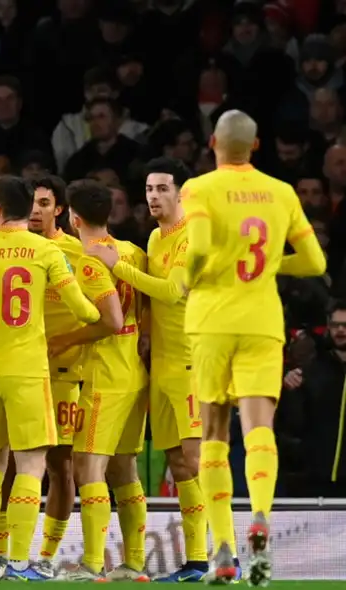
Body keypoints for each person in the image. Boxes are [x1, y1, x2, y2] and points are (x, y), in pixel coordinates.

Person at [182, 109, 326, 587]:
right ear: (257, 145)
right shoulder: (281, 192)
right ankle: (260, 514)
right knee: (260, 428)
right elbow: (313, 260)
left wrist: (192, 276)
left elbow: (199, 246)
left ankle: (223, 549)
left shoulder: (199, 188)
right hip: (263, 321)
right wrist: (265, 267)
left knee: (215, 434)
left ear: (212, 143)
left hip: (211, 320)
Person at [88, 157, 233, 582]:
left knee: (197, 458)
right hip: (164, 367)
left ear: (182, 192)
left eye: (162, 188)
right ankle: (197, 560)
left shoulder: (195, 237)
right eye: (149, 189)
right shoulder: (154, 238)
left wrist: (117, 266)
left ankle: (227, 553)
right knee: (178, 462)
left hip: (193, 362)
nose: (153, 196)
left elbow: (172, 291)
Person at [0, 175, 101, 581]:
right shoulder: (45, 249)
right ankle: (20, 562)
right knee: (31, 465)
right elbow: (84, 310)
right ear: (28, 208)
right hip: (26, 369)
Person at [47, 180, 149, 581]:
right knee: (125, 471)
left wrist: (65, 339)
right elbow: (143, 311)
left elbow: (111, 320)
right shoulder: (133, 253)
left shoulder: (90, 260)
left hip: (105, 376)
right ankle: (134, 563)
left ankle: (91, 564)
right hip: (134, 373)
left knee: (88, 470)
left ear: (73, 218)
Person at [19, 174, 90, 578]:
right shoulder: (12, 247)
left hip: (64, 371)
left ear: (59, 209)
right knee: (14, 462)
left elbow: (100, 312)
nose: (35, 210)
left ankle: (45, 556)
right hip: (19, 371)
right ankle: (6, 553)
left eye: (44, 203)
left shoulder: (76, 253)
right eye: (31, 202)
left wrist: (67, 341)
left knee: (60, 464)